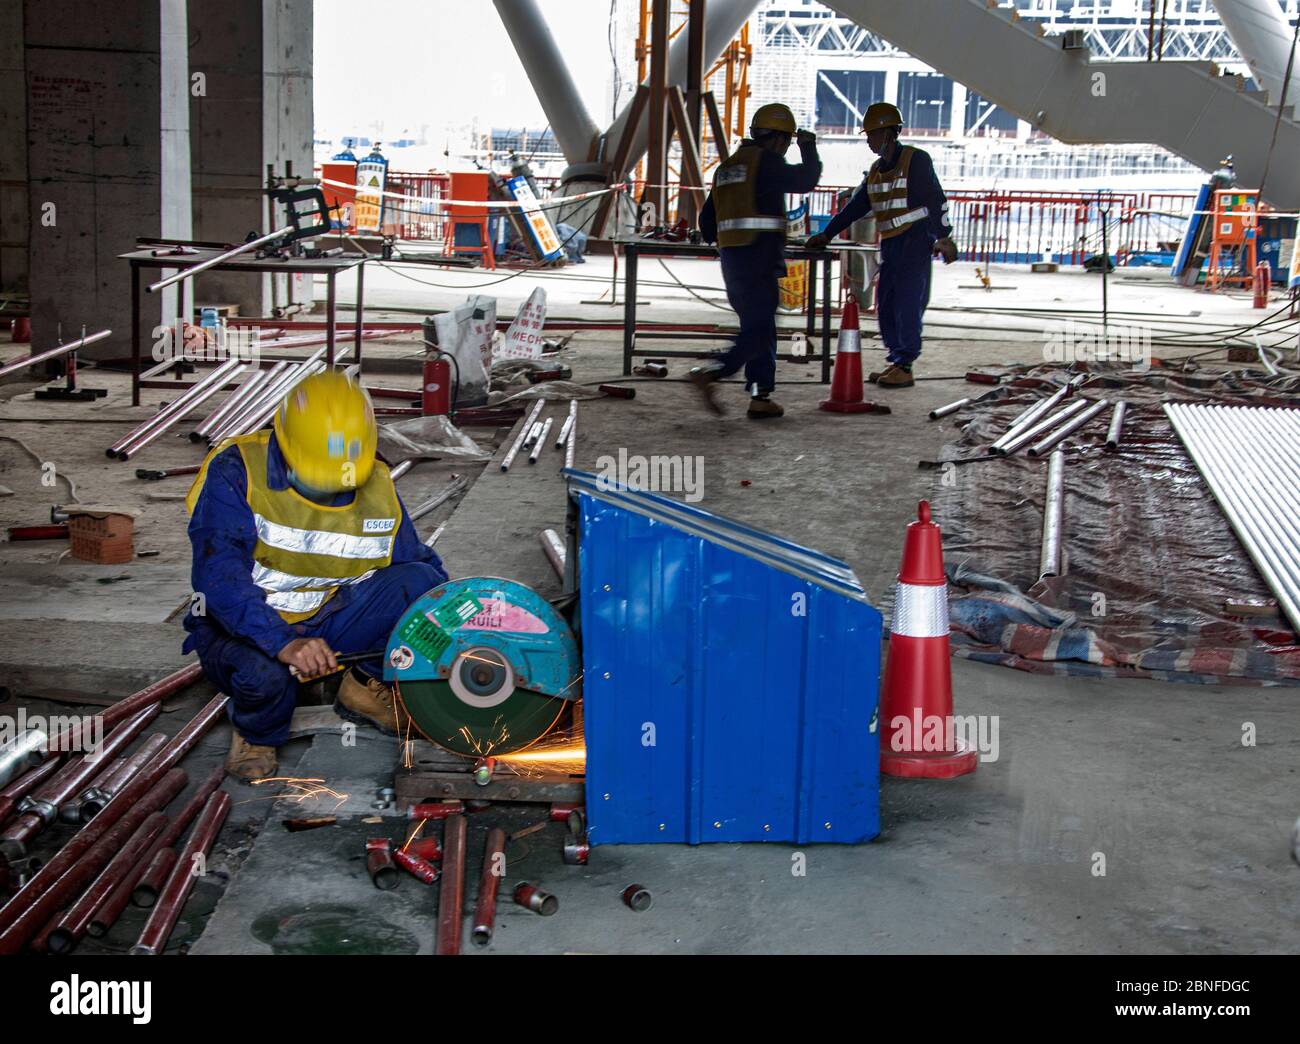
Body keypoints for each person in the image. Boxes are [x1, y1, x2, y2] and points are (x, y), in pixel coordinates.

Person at [182, 369, 447, 782]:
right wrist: (284, 643)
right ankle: (258, 733)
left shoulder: (373, 482)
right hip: (243, 627)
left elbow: (413, 561)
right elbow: (219, 580)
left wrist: (463, 617)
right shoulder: (237, 473)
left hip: (328, 620)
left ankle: (364, 687)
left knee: (419, 586)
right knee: (264, 678)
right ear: (285, 445)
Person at [807, 102, 958, 389]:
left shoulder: (916, 160)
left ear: (889, 133)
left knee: (908, 303)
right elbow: (854, 208)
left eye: (872, 134)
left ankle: (905, 364)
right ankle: (895, 360)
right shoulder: (876, 171)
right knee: (886, 304)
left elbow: (935, 199)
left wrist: (944, 236)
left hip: (915, 240)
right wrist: (827, 234)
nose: (868, 140)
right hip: (890, 244)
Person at [692, 103, 822, 418]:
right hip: (760, 257)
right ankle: (715, 371)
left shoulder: (727, 167)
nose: (787, 146)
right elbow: (806, 180)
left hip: (733, 261)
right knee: (760, 329)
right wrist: (808, 147)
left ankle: (760, 396)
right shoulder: (768, 162)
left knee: (758, 327)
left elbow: (706, 222)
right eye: (788, 140)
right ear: (777, 139)